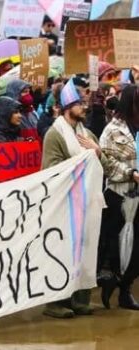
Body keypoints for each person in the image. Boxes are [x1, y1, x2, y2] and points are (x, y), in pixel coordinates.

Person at [42, 79, 105, 318]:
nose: (85, 108)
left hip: (88, 201)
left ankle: (80, 299)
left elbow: (104, 163)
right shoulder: (54, 135)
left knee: (86, 249)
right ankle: (56, 303)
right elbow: (51, 169)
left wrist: (96, 151)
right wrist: (86, 157)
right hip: (64, 202)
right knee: (61, 251)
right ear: (68, 106)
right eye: (80, 104)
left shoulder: (87, 135)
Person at [99, 84, 139, 310]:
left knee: (137, 248)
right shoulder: (113, 130)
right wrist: (131, 174)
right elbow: (105, 161)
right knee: (116, 246)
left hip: (138, 197)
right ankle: (111, 280)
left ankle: (126, 287)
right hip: (119, 194)